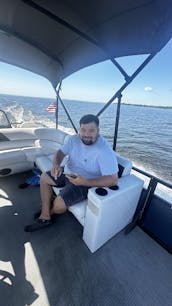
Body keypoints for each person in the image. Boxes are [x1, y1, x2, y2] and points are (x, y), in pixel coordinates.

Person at [24, 114, 118, 232]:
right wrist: (56, 165)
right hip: (67, 172)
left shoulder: (104, 150)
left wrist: (86, 182)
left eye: (91, 130)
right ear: (79, 129)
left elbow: (113, 179)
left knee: (59, 206)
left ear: (98, 131)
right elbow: (60, 153)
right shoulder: (73, 140)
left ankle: (48, 213)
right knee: (44, 177)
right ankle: (45, 213)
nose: (86, 134)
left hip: (85, 182)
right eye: (83, 130)